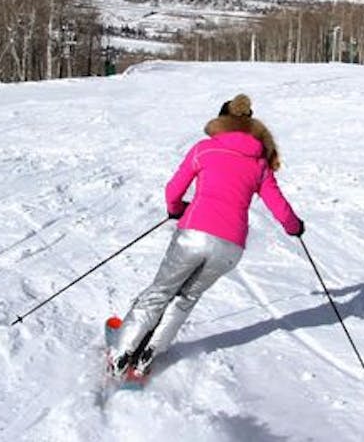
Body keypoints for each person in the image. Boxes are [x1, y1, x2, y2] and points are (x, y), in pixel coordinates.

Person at [109, 93, 304, 380]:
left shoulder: (204, 149)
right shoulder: (260, 162)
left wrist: (176, 210)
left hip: (194, 234)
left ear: (221, 122)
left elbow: (173, 190)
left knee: (160, 291)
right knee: (186, 297)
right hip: (230, 247)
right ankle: (151, 352)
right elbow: (279, 206)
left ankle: (122, 353)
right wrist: (294, 226)